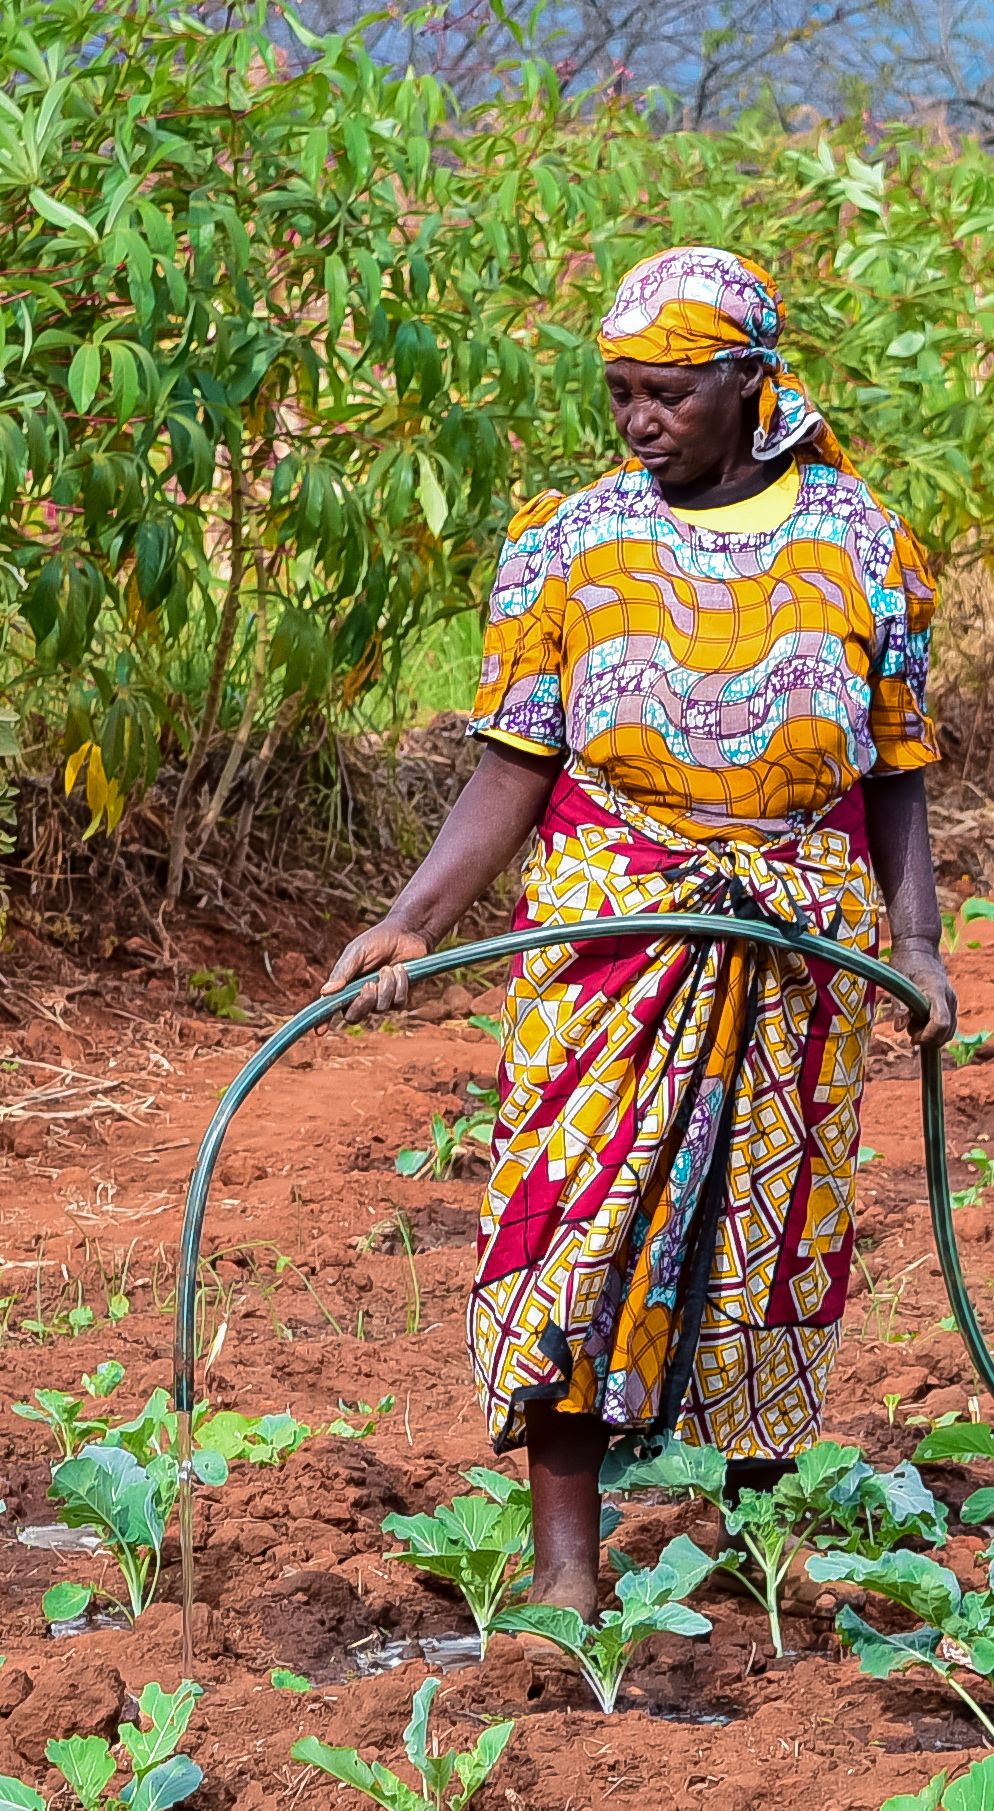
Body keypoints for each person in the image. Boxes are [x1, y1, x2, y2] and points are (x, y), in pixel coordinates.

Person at [320, 245, 955, 1615]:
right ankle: (566, 1572)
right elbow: (513, 767)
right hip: (614, 929)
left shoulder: (864, 546)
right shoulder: (570, 542)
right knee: (574, 1225)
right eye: (622, 394)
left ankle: (757, 1555)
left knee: (770, 1233)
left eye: (669, 392)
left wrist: (917, 950)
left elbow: (894, 774)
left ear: (748, 384)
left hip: (800, 933)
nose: (640, 420)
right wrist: (410, 922)